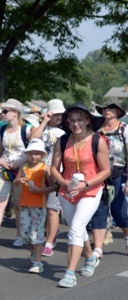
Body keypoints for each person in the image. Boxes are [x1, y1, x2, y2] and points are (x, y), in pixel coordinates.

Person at [50, 103, 111, 288]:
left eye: (79, 120)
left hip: (91, 190)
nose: (76, 124)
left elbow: (106, 170)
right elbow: (53, 168)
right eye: (72, 120)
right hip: (67, 191)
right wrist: (63, 182)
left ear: (87, 120)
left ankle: (69, 274)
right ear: (67, 122)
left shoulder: (97, 141)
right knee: (79, 228)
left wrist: (86, 184)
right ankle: (90, 257)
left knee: (75, 228)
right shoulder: (62, 141)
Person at [0, 98, 31, 249]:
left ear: (15, 113)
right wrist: (1, 162)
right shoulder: (1, 130)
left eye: (5, 111)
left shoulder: (26, 130)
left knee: (18, 204)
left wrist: (18, 162)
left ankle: (20, 235)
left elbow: (31, 151)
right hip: (4, 169)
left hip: (21, 170)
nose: (3, 114)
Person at [29, 99, 66, 257]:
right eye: (55, 114)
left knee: (52, 208)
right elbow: (32, 139)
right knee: (42, 208)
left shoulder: (65, 132)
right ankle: (49, 232)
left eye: (61, 114)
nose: (58, 117)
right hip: (39, 172)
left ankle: (49, 242)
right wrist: (44, 121)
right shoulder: (41, 130)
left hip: (58, 173)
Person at [92, 100, 128, 255]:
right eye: (105, 107)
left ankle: (126, 237)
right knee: (98, 209)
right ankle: (97, 247)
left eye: (111, 107)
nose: (107, 110)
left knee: (118, 211)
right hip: (99, 173)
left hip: (119, 172)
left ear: (118, 112)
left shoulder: (124, 129)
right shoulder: (97, 129)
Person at [13, 139, 51, 274]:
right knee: (25, 234)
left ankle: (38, 262)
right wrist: (19, 180)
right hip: (25, 204)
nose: (34, 156)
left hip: (39, 205)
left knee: (37, 234)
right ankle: (35, 253)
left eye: (37, 153)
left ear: (42, 155)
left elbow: (52, 187)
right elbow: (16, 182)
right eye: (31, 153)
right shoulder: (23, 167)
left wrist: (39, 191)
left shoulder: (45, 168)